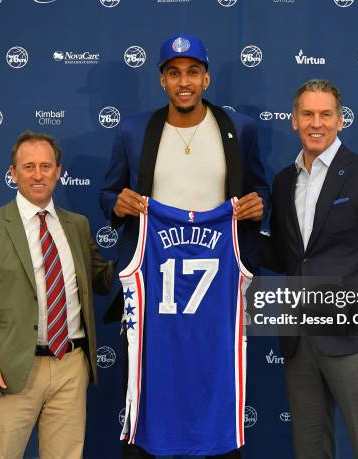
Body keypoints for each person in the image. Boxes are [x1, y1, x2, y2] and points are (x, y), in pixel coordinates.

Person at [99, 34, 269, 458]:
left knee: (215, 385)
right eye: (174, 73)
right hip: (154, 285)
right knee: (152, 385)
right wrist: (117, 205)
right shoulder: (134, 131)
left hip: (218, 289)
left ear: (206, 78)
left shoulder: (239, 129)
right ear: (162, 81)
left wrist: (256, 206)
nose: (184, 82)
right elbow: (108, 194)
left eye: (193, 71)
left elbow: (259, 191)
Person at [262, 79, 358, 459]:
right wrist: (231, 230)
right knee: (310, 450)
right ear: (293, 120)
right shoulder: (282, 181)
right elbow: (286, 257)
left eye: (326, 114)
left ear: (340, 121)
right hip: (299, 341)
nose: (316, 123)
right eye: (307, 114)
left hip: (354, 342)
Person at [0, 131, 113, 459]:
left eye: (46, 166)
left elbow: (103, 280)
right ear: (13, 173)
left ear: (58, 171)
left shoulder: (78, 225)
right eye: (29, 167)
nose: (38, 174)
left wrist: (141, 242)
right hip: (12, 370)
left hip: (71, 364)